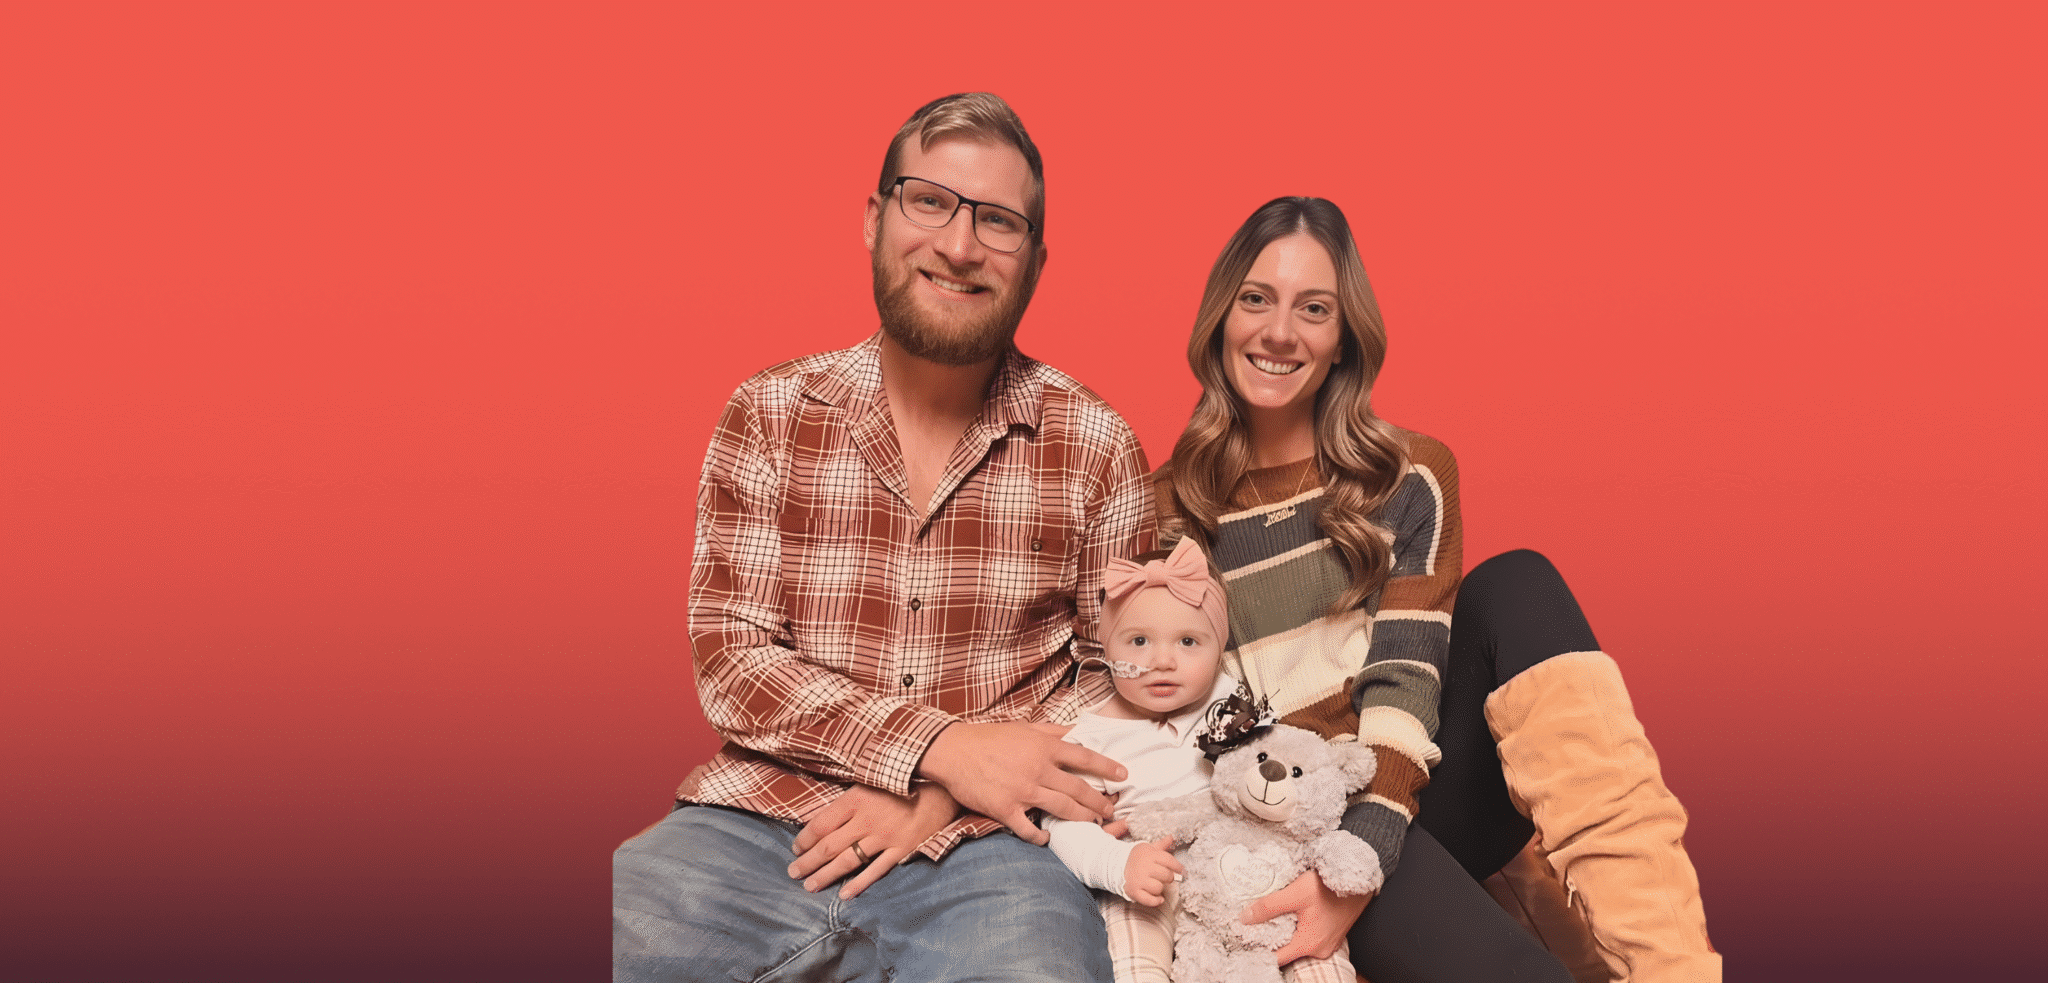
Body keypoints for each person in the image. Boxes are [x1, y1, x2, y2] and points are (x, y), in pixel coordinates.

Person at [612, 92, 1154, 983]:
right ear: (875, 218)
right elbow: (733, 659)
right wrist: (939, 748)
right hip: (755, 821)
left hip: (991, 857)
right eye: (930, 200)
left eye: (998, 221)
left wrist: (943, 795)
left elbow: (1117, 684)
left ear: (1037, 261)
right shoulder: (771, 411)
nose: (959, 244)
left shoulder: (1096, 443)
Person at [1153, 197, 1720, 982]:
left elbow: (1406, 682)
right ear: (1221, 317)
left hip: (1408, 785)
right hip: (1293, 819)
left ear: (1343, 336)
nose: (1280, 332)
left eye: (1313, 309)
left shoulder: (1411, 474)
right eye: (1257, 299)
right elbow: (1197, 723)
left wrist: (1367, 850)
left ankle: (1677, 970)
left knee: (1518, 582)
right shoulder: (1169, 512)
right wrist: (1331, 864)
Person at [1041, 538, 1358, 983]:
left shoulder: (1232, 700)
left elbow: (1286, 760)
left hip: (1251, 867)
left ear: (1218, 646)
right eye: (1138, 641)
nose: (1163, 661)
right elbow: (1062, 827)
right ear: (1107, 649)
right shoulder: (1090, 736)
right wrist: (1118, 866)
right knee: (1130, 959)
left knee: (1315, 959)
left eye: (1189, 641)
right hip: (1148, 880)